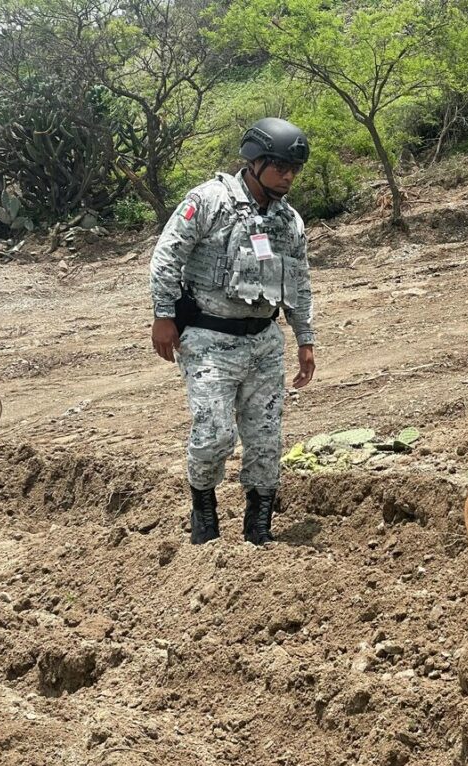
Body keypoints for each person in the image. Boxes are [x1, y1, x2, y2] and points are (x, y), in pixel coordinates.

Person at [149, 117, 316, 546]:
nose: (288, 176)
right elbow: (166, 257)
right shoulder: (209, 201)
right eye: (280, 166)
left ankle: (258, 527)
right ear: (255, 161)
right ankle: (203, 509)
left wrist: (305, 340)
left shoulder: (288, 221)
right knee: (214, 434)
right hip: (208, 338)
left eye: (294, 168)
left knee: (265, 441)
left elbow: (298, 282)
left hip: (263, 341)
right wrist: (164, 316)